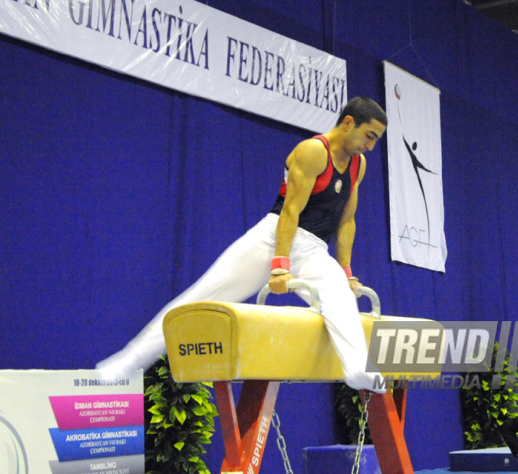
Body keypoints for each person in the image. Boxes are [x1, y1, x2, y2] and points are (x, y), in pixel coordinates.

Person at [95, 97, 388, 393]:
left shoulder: (357, 165)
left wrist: (347, 271)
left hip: (313, 250)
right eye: (369, 136)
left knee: (340, 296)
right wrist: (279, 267)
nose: (371, 146)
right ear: (348, 122)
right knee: (200, 298)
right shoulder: (313, 151)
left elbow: (347, 221)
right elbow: (290, 212)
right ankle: (127, 362)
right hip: (274, 238)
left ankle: (357, 370)